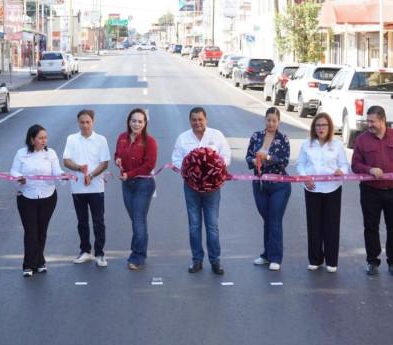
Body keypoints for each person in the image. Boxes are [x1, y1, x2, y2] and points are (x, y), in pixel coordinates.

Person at [352, 105, 393, 276]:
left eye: (373, 121)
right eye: (368, 121)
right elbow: (355, 165)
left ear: (383, 120)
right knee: (371, 227)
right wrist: (369, 169)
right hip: (370, 191)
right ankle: (372, 261)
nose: (369, 124)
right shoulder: (362, 139)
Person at [171, 106, 232, 275]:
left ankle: (215, 261)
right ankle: (197, 260)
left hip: (212, 188)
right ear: (189, 121)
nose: (197, 123)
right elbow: (176, 160)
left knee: (212, 225)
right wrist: (190, 168)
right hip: (191, 187)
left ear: (206, 120)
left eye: (200, 119)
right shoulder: (183, 138)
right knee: (194, 225)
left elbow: (226, 157)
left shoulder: (217, 135)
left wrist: (214, 168)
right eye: (194, 120)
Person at [296, 112, 348, 273]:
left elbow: (344, 165)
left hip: (332, 188)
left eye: (324, 125)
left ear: (329, 127)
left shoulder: (337, 145)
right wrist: (304, 177)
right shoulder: (307, 144)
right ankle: (315, 259)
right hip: (312, 188)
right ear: (314, 127)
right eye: (318, 125)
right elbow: (300, 164)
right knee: (314, 225)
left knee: (331, 225)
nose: (321, 128)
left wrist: (341, 171)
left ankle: (331, 261)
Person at [12, 125, 63, 277]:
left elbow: (57, 171)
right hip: (27, 196)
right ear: (32, 139)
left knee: (42, 231)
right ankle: (28, 265)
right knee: (31, 232)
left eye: (45, 138)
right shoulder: (21, 153)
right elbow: (14, 171)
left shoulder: (50, 153)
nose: (43, 140)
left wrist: (63, 175)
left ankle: (40, 261)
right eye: (40, 138)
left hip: (48, 196)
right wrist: (19, 178)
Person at [246, 107, 291, 271]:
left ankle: (275, 257)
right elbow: (248, 156)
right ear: (264, 120)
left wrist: (268, 157)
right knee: (267, 219)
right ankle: (266, 254)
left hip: (279, 185)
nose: (271, 123)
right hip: (260, 184)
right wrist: (253, 161)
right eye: (268, 120)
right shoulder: (256, 136)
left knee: (274, 219)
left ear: (278, 122)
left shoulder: (283, 139)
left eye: (274, 121)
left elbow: (284, 161)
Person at [63, 110, 111, 267]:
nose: (85, 125)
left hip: (96, 188)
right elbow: (66, 161)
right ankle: (85, 251)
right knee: (82, 221)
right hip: (78, 188)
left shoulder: (101, 140)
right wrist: (78, 168)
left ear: (93, 122)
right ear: (78, 122)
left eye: (87, 122)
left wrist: (91, 175)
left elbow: (104, 163)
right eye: (82, 122)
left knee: (98, 222)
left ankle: (100, 254)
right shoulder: (72, 139)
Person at [115, 108, 158, 270]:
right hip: (127, 184)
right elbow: (117, 154)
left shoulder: (150, 141)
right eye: (133, 121)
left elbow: (149, 165)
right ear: (129, 122)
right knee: (136, 220)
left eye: (140, 121)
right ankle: (138, 251)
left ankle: (138, 256)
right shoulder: (122, 138)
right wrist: (118, 160)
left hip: (143, 184)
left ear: (145, 123)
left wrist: (129, 174)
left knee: (138, 220)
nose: (136, 124)